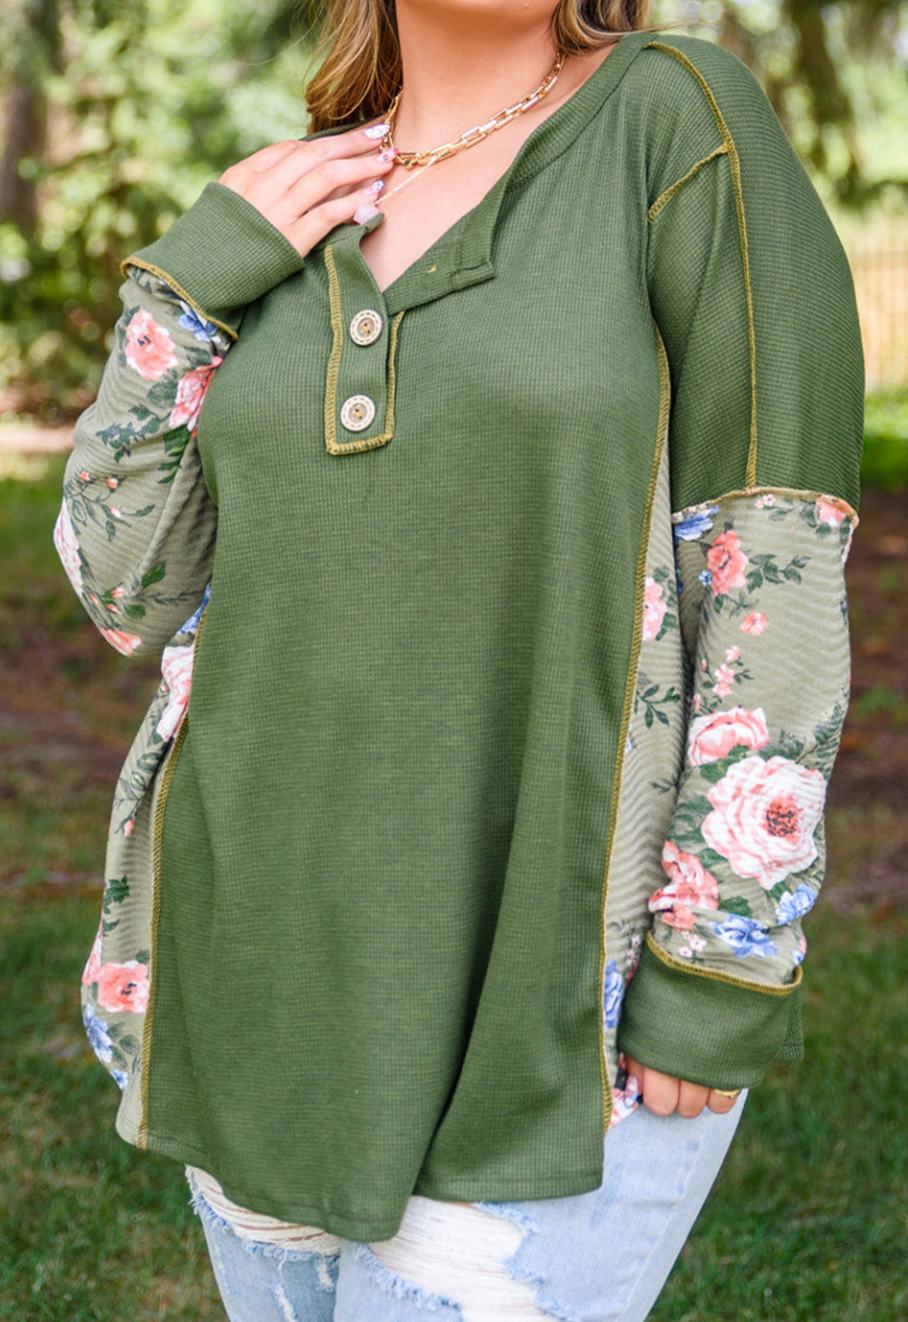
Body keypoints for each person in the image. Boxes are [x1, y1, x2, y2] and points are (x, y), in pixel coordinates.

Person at [54, 1, 863, 1318]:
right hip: (254, 972)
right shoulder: (295, 200)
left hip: (549, 998)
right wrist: (190, 281)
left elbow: (774, 550)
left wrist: (722, 952)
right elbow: (122, 584)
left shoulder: (675, 119)